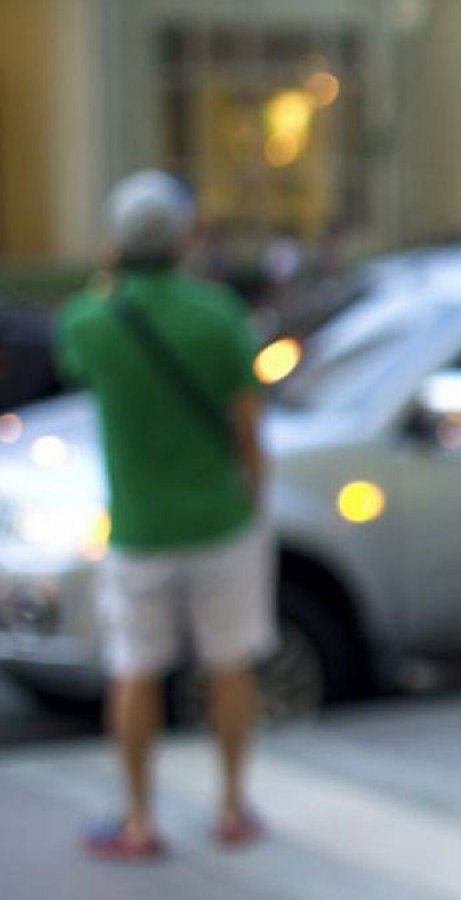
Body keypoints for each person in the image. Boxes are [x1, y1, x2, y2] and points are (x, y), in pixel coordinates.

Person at [56, 170, 274, 861]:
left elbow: (78, 365)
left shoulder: (91, 320)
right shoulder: (219, 314)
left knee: (135, 671)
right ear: (185, 238)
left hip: (140, 526)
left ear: (115, 243)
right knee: (230, 666)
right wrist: (255, 495)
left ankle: (139, 819)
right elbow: (247, 427)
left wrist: (107, 276)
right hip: (221, 519)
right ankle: (234, 806)